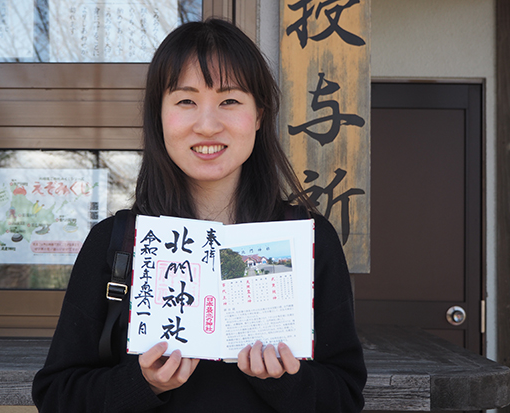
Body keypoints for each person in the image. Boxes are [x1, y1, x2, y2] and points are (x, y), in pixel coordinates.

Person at [32, 18, 366, 412]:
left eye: (230, 101)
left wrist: (283, 382)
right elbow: (57, 394)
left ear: (259, 115)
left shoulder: (307, 239)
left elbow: (344, 396)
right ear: (159, 115)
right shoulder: (117, 242)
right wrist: (143, 384)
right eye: (186, 101)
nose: (207, 125)